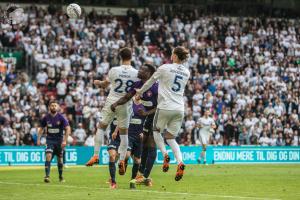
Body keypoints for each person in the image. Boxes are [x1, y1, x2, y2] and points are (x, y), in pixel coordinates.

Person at [136, 46, 190, 181]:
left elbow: (150, 81)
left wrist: (139, 92)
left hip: (165, 107)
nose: (171, 56)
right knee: (171, 138)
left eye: (172, 54)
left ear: (176, 56)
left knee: (156, 132)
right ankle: (180, 162)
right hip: (179, 109)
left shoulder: (165, 68)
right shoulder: (187, 72)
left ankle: (165, 154)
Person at [85, 47, 139, 176]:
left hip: (112, 101)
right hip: (126, 104)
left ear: (120, 57)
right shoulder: (136, 73)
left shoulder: (114, 70)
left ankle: (96, 155)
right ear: (131, 57)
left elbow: (105, 84)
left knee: (102, 127)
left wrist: (98, 82)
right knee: (124, 133)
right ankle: (121, 161)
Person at [110, 63, 157, 186]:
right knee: (144, 146)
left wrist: (146, 112)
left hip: (159, 116)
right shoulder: (138, 85)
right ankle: (142, 176)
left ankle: (144, 176)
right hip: (147, 118)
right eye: (140, 68)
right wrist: (116, 104)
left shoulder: (156, 87)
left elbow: (162, 106)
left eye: (143, 69)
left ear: (149, 74)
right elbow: (126, 97)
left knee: (150, 144)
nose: (139, 70)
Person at [37, 100, 71, 183]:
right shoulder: (46, 117)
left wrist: (65, 140)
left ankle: (60, 176)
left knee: (60, 160)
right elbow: (41, 128)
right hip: (50, 141)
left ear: (58, 107)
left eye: (55, 105)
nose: (53, 107)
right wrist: (38, 139)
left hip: (59, 141)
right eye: (52, 105)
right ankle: (47, 176)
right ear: (49, 107)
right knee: (48, 155)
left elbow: (68, 128)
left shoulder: (61, 117)